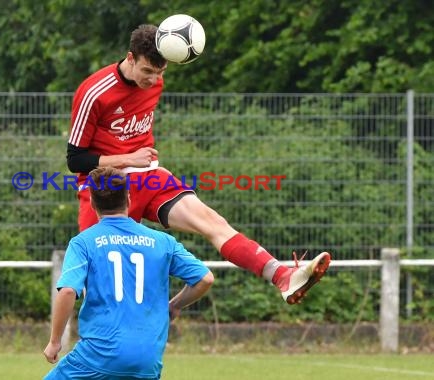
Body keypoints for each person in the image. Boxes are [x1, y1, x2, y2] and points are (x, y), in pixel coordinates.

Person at [66, 23, 331, 305]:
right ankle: (93, 340)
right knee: (98, 281)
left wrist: (147, 166)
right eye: (147, 71)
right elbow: (75, 159)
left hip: (149, 178)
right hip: (107, 186)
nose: (154, 80)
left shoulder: (154, 82)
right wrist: (128, 160)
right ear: (130, 58)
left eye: (161, 72)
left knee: (213, 223)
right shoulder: (94, 92)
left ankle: (281, 276)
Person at [43, 166, 214, 380]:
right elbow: (204, 278)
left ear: (93, 203)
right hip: (147, 360)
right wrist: (174, 306)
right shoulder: (163, 242)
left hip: (98, 356)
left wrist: (54, 342)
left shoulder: (83, 243)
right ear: (129, 199)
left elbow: (68, 291)